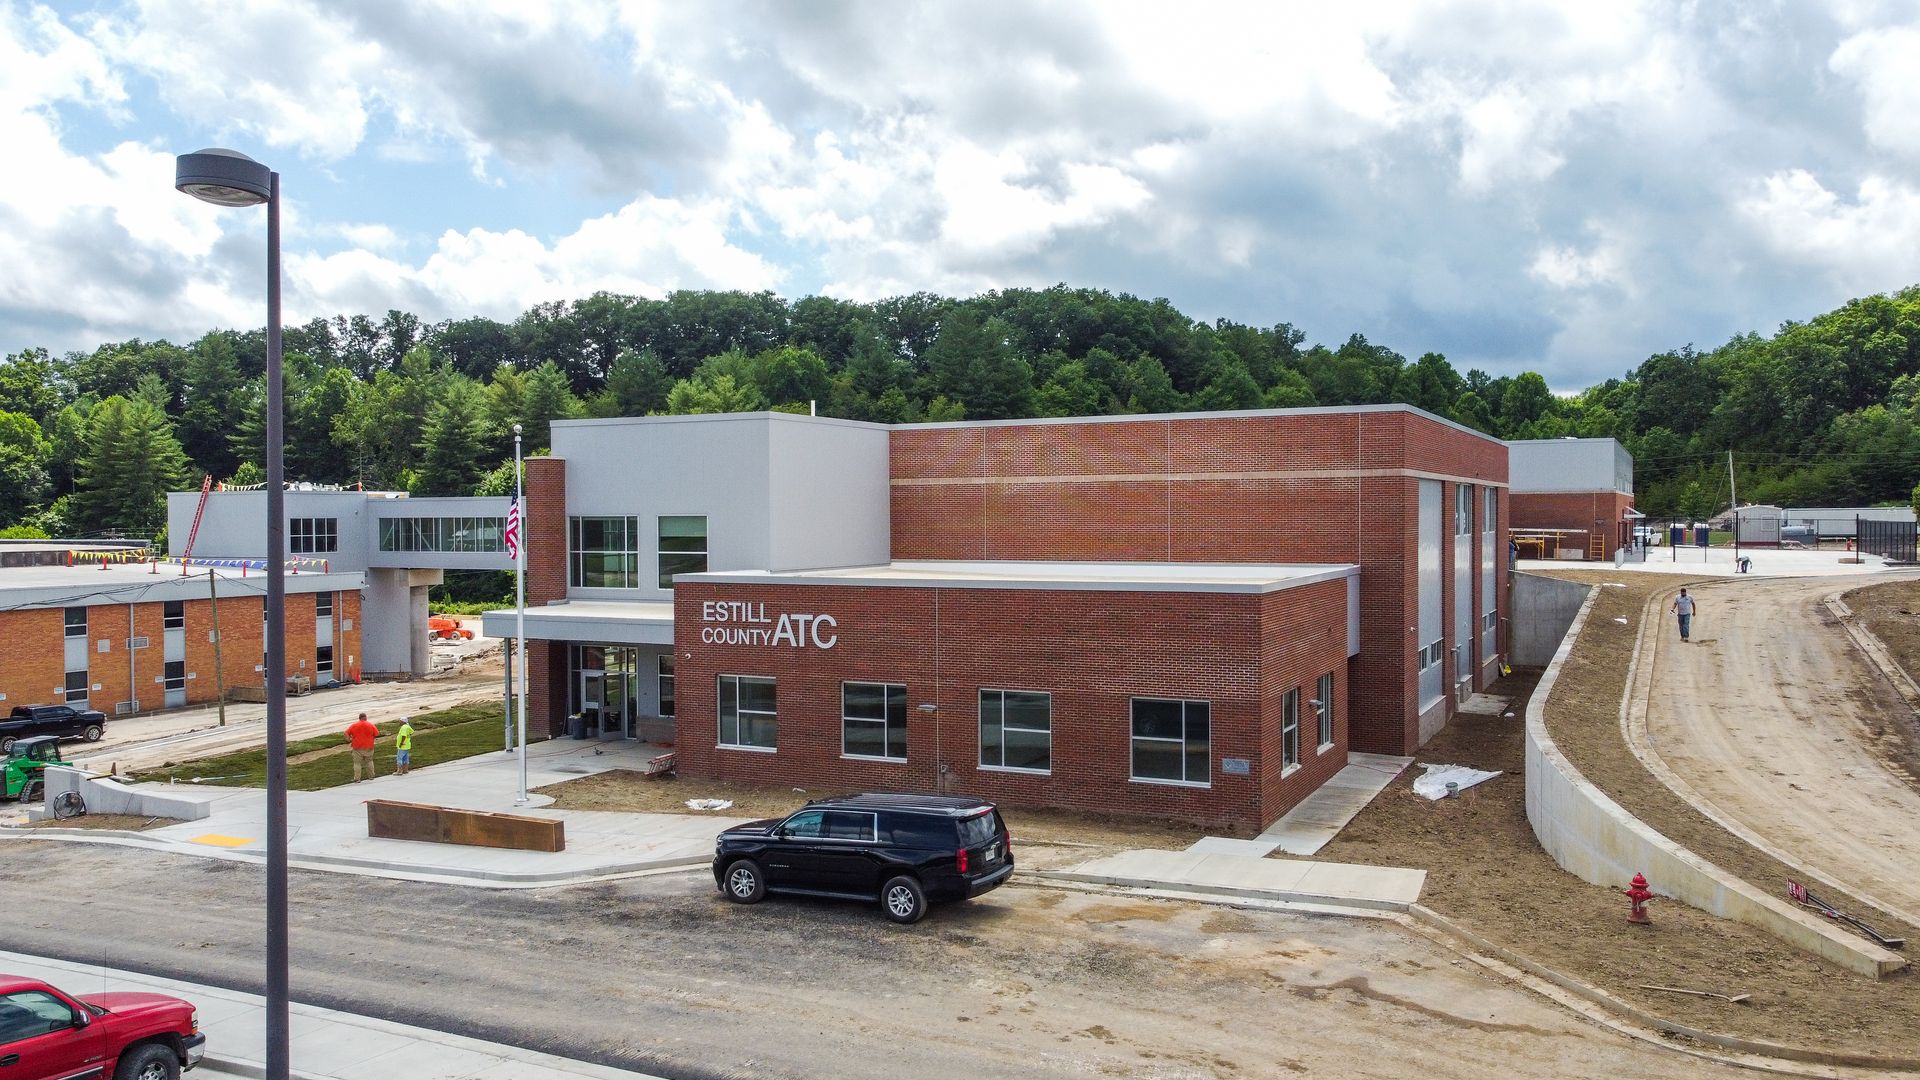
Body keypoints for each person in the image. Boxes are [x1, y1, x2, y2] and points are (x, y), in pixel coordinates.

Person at [347, 712, 379, 782]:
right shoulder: (371, 725)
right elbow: (376, 734)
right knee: (369, 761)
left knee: (357, 763)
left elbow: (346, 733)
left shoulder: (354, 725)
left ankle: (357, 778)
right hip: (369, 746)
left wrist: (349, 740)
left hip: (357, 747)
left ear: (359, 718)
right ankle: (371, 776)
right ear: (366, 718)